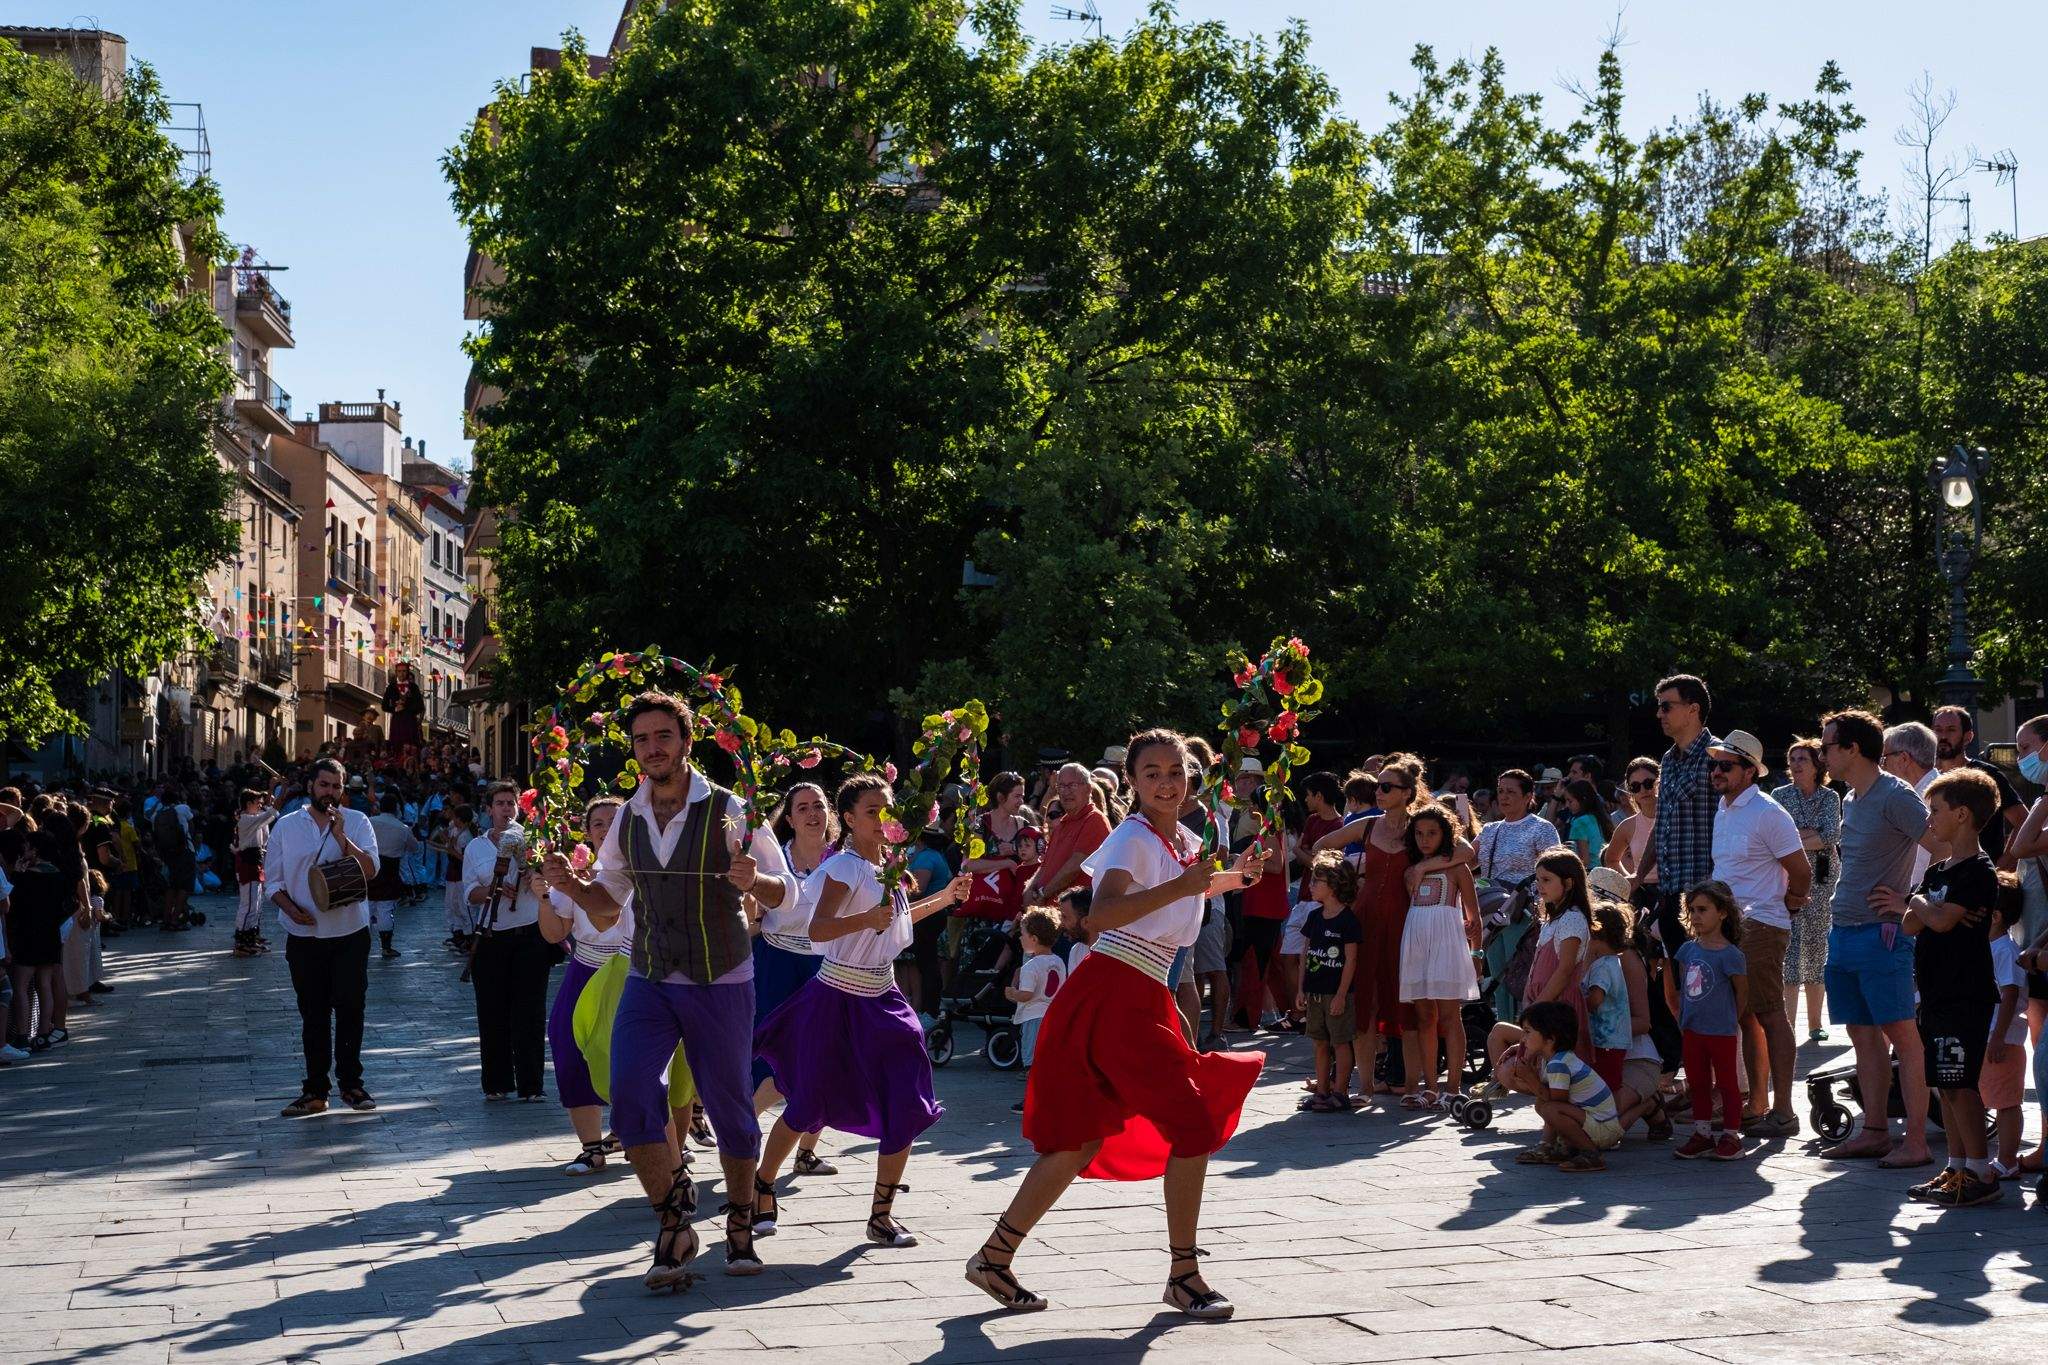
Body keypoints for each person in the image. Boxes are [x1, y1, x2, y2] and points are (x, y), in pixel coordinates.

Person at [967, 729, 1265, 1318]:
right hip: (1115, 990)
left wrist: (1234, 877)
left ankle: (993, 1258)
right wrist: (1187, 884)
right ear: (1131, 781)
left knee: (1083, 1139)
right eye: (1151, 772)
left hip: (1142, 991)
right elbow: (1101, 916)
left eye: (1174, 771)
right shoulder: (1131, 835)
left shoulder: (1180, 837)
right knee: (1192, 1122)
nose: (1164, 782)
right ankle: (1183, 1274)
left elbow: (1180, 893)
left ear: (1190, 776)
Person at [541, 690, 795, 1289]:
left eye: (662, 737)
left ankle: (738, 1216)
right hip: (649, 975)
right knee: (629, 1093)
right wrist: (570, 885)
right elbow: (607, 908)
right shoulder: (627, 818)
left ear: (686, 741)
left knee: (730, 1102)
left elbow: (787, 893)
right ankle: (675, 1218)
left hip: (720, 977)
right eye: (641, 740)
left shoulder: (732, 809)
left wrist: (752, 878)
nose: (652, 749)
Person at [751, 774, 968, 1250]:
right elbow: (821, 929)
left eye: (888, 809)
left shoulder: (889, 865)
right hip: (836, 998)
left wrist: (945, 898)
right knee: (808, 1102)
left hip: (885, 997)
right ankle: (763, 1186)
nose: (883, 818)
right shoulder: (844, 868)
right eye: (873, 810)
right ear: (847, 819)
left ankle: (882, 1215)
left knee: (908, 1103)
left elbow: (896, 921)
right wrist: (865, 919)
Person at [1879, 768, 2001, 1206]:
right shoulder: (1938, 871)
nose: (1929, 819)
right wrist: (1925, 905)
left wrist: (1921, 902)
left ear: (1963, 815)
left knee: (1960, 1083)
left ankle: (1981, 1171)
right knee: (1944, 1084)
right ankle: (1955, 1165)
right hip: (1933, 993)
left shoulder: (1978, 871)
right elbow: (1916, 924)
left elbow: (1942, 921)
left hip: (1964, 993)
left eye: (1935, 810)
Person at [1820, 709, 1934, 1167]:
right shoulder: (1850, 796)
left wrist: (1913, 902)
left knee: (1904, 1039)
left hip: (1881, 936)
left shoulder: (1896, 794)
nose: (1821, 752)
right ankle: (1874, 1132)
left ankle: (1919, 1145)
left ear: (1852, 749)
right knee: (1863, 1037)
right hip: (1843, 931)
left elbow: (1948, 845)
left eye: (1827, 745)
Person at [1704, 729, 1809, 1139]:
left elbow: (1801, 872)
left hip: (1762, 924)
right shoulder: (1724, 808)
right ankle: (1759, 1104)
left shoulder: (1768, 812)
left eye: (1725, 765)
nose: (1716, 771)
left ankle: (1782, 1109)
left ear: (1750, 771)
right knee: (1747, 1017)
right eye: (1714, 764)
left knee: (1768, 1014)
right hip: (1728, 926)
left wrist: (1789, 903)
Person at [267, 758, 380, 1117]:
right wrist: (289, 909)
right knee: (313, 1013)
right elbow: (273, 882)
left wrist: (341, 837)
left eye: (336, 786)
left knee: (351, 1008)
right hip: (304, 935)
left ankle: (351, 1084)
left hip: (350, 932)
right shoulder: (286, 826)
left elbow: (371, 871)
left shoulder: (358, 822)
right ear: (311, 786)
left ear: (343, 790)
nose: (329, 792)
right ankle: (315, 1090)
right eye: (324, 785)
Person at [540, 796, 632, 1175]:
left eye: (615, 820)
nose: (607, 828)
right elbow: (553, 934)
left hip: (631, 972)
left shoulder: (640, 873)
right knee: (567, 1042)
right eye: (598, 823)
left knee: (634, 1056)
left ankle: (640, 1134)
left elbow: (609, 919)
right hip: (585, 967)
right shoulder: (571, 878)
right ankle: (591, 1148)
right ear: (587, 832)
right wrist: (545, 894)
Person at [751, 782, 839, 1178]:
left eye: (818, 805)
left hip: (825, 966)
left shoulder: (844, 860)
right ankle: (743, 1128)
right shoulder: (773, 862)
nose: (811, 814)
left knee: (822, 1058)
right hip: (776, 963)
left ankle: (806, 1150)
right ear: (789, 819)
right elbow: (752, 917)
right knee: (773, 1056)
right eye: (801, 808)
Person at [464, 781, 553, 1102]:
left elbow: (551, 881)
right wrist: (495, 890)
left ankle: (532, 1085)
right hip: (491, 938)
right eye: (500, 803)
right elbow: (469, 894)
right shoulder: (476, 848)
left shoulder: (531, 840)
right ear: (489, 809)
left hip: (530, 935)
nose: (506, 809)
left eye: (511, 804)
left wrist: (534, 876)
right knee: (492, 1012)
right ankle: (497, 1083)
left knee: (530, 1012)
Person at [1481, 848, 1593, 1101]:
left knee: (1548, 1071)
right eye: (1538, 880)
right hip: (1541, 1007)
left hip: (1557, 1010)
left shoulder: (1573, 919)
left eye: (1546, 880)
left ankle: (1552, 1104)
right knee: (1500, 1039)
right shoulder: (1553, 919)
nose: (1540, 886)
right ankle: (1537, 1096)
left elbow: (1564, 970)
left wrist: (1538, 1006)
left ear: (1568, 883)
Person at [1398, 803, 1480, 1107]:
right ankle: (1430, 1086)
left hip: (1447, 943)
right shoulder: (1409, 870)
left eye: (1432, 833)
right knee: (1424, 1016)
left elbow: (1474, 915)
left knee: (1450, 1015)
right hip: (1417, 942)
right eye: (1419, 833)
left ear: (1445, 834)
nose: (1425, 839)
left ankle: (1454, 1086)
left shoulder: (1458, 869)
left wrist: (1477, 953)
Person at [1636, 675, 1720, 951]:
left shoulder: (1719, 757)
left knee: (1710, 984)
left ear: (1693, 709)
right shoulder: (1668, 760)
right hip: (1671, 892)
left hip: (1708, 895)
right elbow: (1662, 826)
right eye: (1659, 707)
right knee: (1682, 985)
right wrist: (1639, 876)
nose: (1659, 713)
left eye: (1667, 706)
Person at [1666, 881, 1748, 1161]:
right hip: (1693, 1029)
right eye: (1692, 910)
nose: (1696, 916)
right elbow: (1682, 987)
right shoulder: (1688, 950)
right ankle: (1702, 1134)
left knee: (1727, 1084)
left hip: (1721, 1031)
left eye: (1703, 909)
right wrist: (1682, 1015)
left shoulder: (1731, 955)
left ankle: (1731, 1135)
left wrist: (1730, 1021)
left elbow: (1741, 994)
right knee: (1697, 1083)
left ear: (1722, 912)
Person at [1772, 738, 1841, 1045]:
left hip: (1824, 881)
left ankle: (1815, 1024)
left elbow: (1830, 835)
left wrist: (1800, 836)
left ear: (1817, 766)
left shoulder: (1830, 798)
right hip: (1788, 880)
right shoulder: (1779, 796)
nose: (1797, 764)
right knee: (1789, 951)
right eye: (1793, 758)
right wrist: (1810, 835)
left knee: (1816, 950)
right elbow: (1778, 837)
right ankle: (1787, 1025)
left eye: (1803, 759)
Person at [1517, 999, 1623, 1172]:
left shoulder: (1558, 1064)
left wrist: (1530, 1078)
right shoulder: (1552, 1059)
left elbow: (1557, 1103)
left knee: (1550, 1108)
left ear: (1550, 1038)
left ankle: (1591, 1155)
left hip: (1604, 1129)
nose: (1523, 1039)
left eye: (1527, 1032)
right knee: (1544, 1106)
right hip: (1596, 1124)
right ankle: (1554, 1146)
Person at [1297, 851, 1361, 1113]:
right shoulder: (1314, 917)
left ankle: (1340, 1092)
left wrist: (1341, 994)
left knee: (1341, 1042)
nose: (1311, 886)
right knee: (1319, 1042)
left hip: (1337, 994)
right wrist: (1301, 989)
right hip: (1314, 992)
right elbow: (1305, 954)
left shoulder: (1348, 920)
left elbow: (1351, 960)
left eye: (1316, 881)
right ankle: (1321, 1091)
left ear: (1333, 885)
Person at [1931, 705, 2025, 865]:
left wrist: (2004, 862)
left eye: (1951, 730)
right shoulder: (1929, 777)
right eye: (1938, 730)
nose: (1943, 736)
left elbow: (2022, 821)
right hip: (1941, 876)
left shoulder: (1986, 775)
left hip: (1982, 875)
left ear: (1968, 737)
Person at [1982, 876, 2029, 1182]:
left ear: (1995, 916)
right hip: (1991, 1037)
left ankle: (2007, 1160)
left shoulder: (2004, 950)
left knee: (2007, 1103)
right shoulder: (1992, 947)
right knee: (1995, 1097)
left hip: (2003, 1040)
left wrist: (1998, 1037)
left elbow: (2010, 993)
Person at [1024, 764, 1112, 906]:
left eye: (1072, 786)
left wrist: (1043, 893)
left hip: (1073, 919)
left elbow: (1075, 866)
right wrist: (1028, 891)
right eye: (1061, 786)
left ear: (1088, 789)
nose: (1066, 792)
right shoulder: (1062, 824)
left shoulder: (1094, 820)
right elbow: (1045, 867)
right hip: (1049, 914)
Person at [1005, 906, 1066, 1111]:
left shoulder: (1031, 965)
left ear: (1034, 938)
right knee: (1048, 1060)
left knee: (1032, 1062)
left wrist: (1012, 994)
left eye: (1022, 935)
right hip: (1052, 1016)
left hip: (1033, 1016)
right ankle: (1051, 1096)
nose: (1020, 939)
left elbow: (1027, 994)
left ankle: (1032, 1099)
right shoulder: (1058, 961)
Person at [1881, 723, 1939, 888]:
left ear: (1904, 759)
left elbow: (1947, 852)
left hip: (1924, 906)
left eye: (1885, 758)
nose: (1882, 766)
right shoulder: (1918, 792)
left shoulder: (1937, 797)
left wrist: (1912, 899)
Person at [366, 796, 418, 960]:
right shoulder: (402, 828)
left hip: (369, 867)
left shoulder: (369, 822)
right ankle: (386, 947)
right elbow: (414, 847)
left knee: (366, 908)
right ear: (396, 809)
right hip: (390, 870)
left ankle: (361, 945)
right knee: (385, 909)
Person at [230, 789, 272, 958]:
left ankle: (251, 937)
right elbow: (269, 815)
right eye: (257, 803)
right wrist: (276, 798)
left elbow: (265, 828)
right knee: (247, 905)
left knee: (255, 903)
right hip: (247, 863)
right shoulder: (246, 819)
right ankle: (241, 941)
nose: (260, 806)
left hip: (255, 861)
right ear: (248, 804)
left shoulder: (251, 819)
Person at [438, 805, 476, 951]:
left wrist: (451, 851)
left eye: (455, 817)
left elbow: (466, 859)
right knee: (451, 903)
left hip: (461, 873)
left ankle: (469, 937)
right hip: (453, 872)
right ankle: (458, 934)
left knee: (463, 906)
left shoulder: (467, 836)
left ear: (460, 819)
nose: (453, 820)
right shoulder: (456, 830)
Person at [1562, 779, 1611, 868]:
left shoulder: (1579, 822)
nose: (1567, 805)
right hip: (1604, 869)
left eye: (1570, 801)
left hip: (1590, 872)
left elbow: (1584, 860)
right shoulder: (1599, 817)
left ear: (1583, 800)